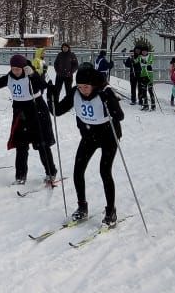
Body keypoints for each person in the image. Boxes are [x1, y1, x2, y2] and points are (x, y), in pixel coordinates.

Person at [51, 63, 124, 226]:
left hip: (108, 136)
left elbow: (119, 116)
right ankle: (82, 207)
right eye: (80, 86)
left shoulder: (104, 92)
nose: (83, 89)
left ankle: (111, 211)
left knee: (104, 171)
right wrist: (52, 95)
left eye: (86, 86)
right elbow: (57, 110)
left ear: (93, 85)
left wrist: (110, 101)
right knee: (78, 170)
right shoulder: (75, 93)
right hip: (89, 136)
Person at [0, 54, 57, 186]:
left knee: (42, 145)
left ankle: (51, 172)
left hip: (37, 111)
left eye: (18, 69)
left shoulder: (31, 75)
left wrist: (34, 75)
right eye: (13, 68)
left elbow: (42, 85)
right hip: (21, 114)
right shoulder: (9, 77)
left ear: (24, 67)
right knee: (21, 146)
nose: (16, 71)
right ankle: (20, 176)